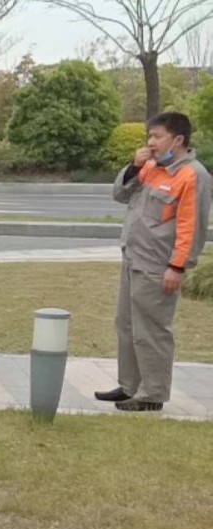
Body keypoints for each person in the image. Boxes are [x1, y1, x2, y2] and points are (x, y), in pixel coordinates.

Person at [96, 111, 212, 412]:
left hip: (159, 265)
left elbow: (192, 226)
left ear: (178, 140)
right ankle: (130, 386)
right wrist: (134, 167)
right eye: (150, 136)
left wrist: (178, 266)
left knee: (152, 330)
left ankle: (152, 394)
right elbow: (120, 195)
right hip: (133, 258)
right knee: (127, 326)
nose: (151, 142)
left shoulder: (193, 175)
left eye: (157, 136)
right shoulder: (151, 167)